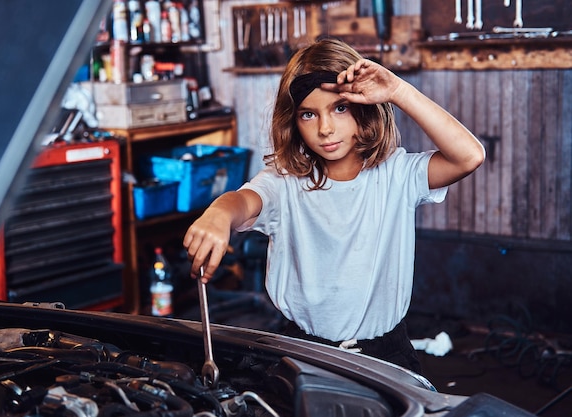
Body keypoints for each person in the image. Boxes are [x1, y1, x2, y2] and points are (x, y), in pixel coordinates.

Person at [183, 38, 485, 373]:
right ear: (294, 122)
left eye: (339, 108)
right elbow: (244, 200)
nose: (325, 129)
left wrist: (398, 90)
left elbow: (469, 156)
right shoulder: (285, 182)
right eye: (309, 114)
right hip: (303, 352)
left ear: (364, 106)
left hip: (386, 353)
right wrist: (219, 212)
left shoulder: (398, 174)